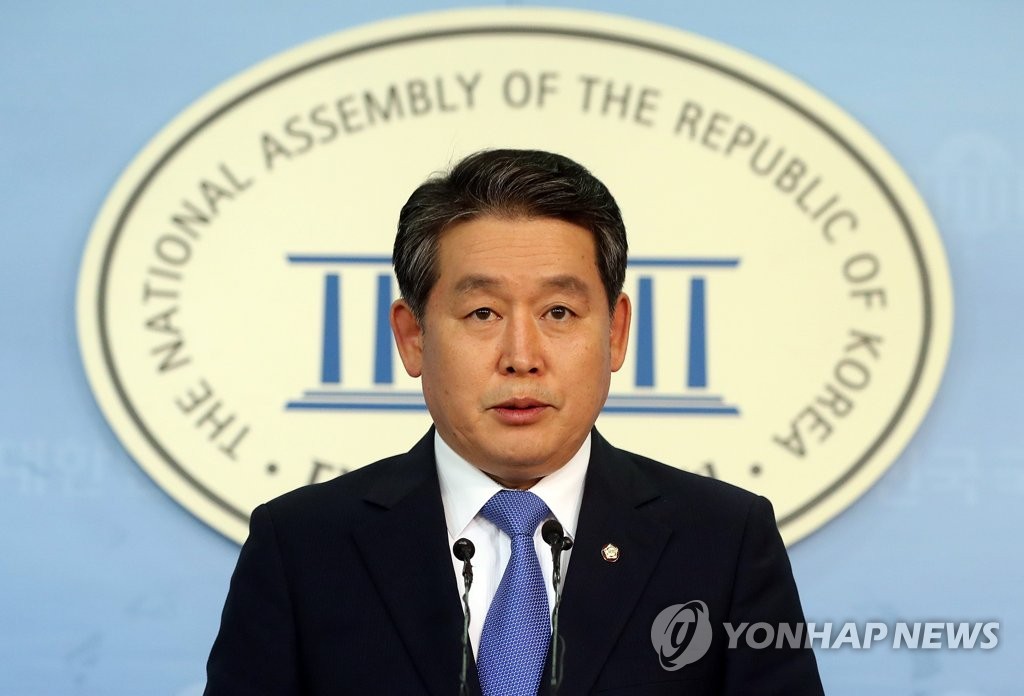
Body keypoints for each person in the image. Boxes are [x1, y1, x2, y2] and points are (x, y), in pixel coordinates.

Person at [204, 149, 824, 695]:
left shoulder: (722, 541)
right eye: (482, 313)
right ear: (413, 337)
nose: (521, 357)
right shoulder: (302, 546)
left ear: (616, 333)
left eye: (559, 312)